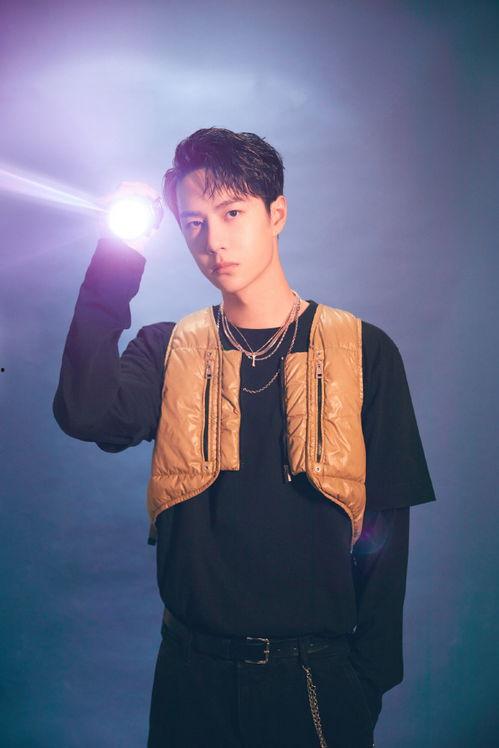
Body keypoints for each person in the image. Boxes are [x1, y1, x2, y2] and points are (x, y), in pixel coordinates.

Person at [53, 127, 437, 748]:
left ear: (275, 213)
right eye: (194, 222)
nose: (214, 240)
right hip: (188, 678)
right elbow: (84, 411)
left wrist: (367, 682)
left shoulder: (363, 350)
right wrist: (117, 257)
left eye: (232, 213)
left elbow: (387, 534)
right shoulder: (168, 348)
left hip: (315, 679)